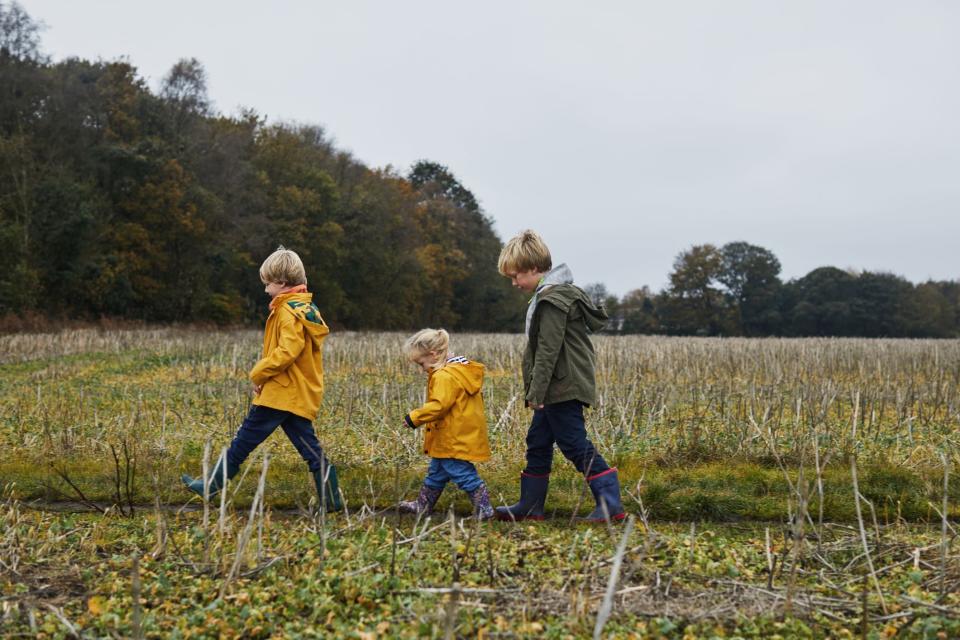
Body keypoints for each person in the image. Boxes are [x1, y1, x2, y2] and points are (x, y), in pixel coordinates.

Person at [181, 246, 342, 512]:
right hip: (294, 393)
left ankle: (211, 486)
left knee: (242, 441)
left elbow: (287, 352)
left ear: (280, 283)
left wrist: (259, 372)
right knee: (309, 449)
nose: (265, 288)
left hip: (280, 394)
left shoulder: (287, 312)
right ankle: (332, 499)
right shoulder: (305, 309)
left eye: (267, 283)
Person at [495, 230, 625, 523]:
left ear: (533, 269)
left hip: (563, 385)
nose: (514, 283)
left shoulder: (553, 300)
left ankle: (610, 504)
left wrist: (536, 392)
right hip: (557, 384)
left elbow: (548, 351)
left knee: (573, 442)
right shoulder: (548, 295)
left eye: (516, 276)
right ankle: (530, 506)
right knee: (538, 440)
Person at [398, 329, 493, 519]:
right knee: (436, 473)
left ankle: (485, 509)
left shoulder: (444, 376)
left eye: (421, 363)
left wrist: (414, 417)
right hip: (454, 434)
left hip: (452, 437)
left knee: (463, 474)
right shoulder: (458, 371)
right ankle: (422, 505)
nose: (422, 368)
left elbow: (439, 406)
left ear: (432, 355)